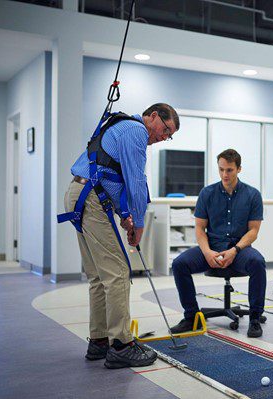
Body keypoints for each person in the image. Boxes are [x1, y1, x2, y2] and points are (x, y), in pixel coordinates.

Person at [64, 103, 179, 368]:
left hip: (79, 195)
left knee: (99, 276)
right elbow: (136, 180)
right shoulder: (136, 131)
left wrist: (122, 214)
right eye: (165, 129)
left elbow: (111, 176)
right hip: (90, 199)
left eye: (169, 135)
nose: (164, 137)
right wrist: (138, 224)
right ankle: (121, 345)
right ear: (152, 116)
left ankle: (100, 341)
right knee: (117, 273)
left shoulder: (123, 128)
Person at [171, 149, 267, 338]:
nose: (225, 174)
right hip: (211, 247)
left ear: (239, 169)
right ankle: (191, 317)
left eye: (229, 170)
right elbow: (200, 229)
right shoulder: (207, 193)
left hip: (239, 249)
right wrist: (206, 252)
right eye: (221, 169)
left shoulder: (253, 195)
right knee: (179, 264)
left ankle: (255, 318)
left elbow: (253, 231)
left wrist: (235, 250)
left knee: (257, 262)